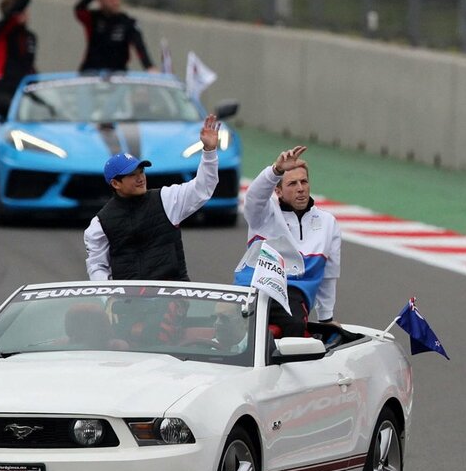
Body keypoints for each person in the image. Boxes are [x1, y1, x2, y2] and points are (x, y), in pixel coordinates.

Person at [84, 114, 221, 281]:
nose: (140, 178)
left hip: (173, 301)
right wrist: (109, 298)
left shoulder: (166, 199)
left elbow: (203, 187)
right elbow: (97, 267)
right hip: (127, 303)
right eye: (132, 175)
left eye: (141, 172)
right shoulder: (99, 224)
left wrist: (209, 151)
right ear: (115, 183)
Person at [234, 146, 342, 336]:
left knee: (294, 326)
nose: (300, 188)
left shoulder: (327, 222)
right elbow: (253, 197)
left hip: (292, 294)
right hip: (253, 288)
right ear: (278, 191)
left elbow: (329, 274)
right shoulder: (263, 214)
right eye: (292, 184)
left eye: (304, 182)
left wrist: (326, 318)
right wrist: (276, 170)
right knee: (230, 327)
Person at [74, 0, 156, 72]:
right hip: (91, 72)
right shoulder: (93, 18)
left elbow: (139, 46)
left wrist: (149, 67)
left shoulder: (128, 22)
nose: (115, 2)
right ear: (101, 2)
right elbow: (79, 9)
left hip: (118, 74)